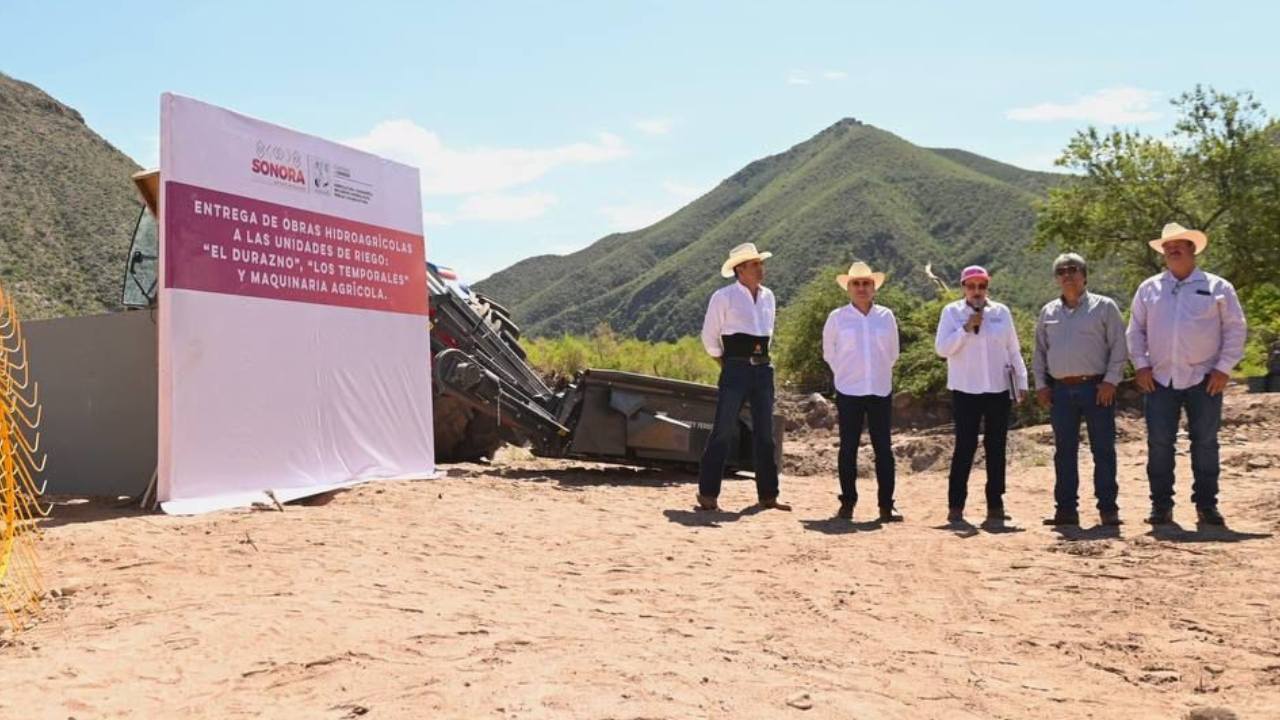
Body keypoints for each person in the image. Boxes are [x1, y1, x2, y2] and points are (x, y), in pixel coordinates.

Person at [1126, 223, 1247, 526]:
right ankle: (1161, 506)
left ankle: (1206, 506)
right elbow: (1135, 330)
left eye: (1179, 244)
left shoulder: (1219, 287)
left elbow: (1235, 329)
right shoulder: (1149, 288)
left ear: (1193, 249)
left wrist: (1223, 368)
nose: (1172, 249)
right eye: (1167, 246)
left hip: (1205, 378)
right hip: (1160, 379)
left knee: (1205, 442)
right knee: (1159, 443)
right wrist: (1140, 365)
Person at [1031, 253, 1127, 527]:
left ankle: (1108, 509)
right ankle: (1066, 510)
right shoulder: (1048, 312)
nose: (1067, 275)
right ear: (1056, 278)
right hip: (1061, 392)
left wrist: (1111, 381)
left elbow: (1119, 347)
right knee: (1064, 452)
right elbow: (1039, 351)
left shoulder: (1105, 307)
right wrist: (1041, 385)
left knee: (1103, 450)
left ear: (1085, 275)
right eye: (1061, 271)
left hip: (1097, 389)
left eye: (1073, 270)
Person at [696, 243, 789, 512]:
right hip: (735, 367)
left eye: (760, 263)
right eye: (754, 264)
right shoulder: (723, 297)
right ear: (740, 270)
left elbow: (768, 332)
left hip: (763, 369)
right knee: (723, 429)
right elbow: (709, 336)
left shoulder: (769, 296)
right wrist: (725, 363)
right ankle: (708, 493)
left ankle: (768, 495)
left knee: (765, 433)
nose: (761, 269)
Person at [935, 266, 1028, 525]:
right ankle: (956, 506)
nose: (977, 292)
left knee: (996, 447)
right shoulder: (952, 313)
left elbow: (1013, 349)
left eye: (982, 286)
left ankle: (995, 504)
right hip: (966, 389)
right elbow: (942, 349)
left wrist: (1022, 382)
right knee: (965, 447)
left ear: (987, 287)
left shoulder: (1001, 312)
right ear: (963, 287)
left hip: (998, 389)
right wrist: (965, 329)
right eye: (971, 286)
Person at [822, 261, 903, 522]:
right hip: (849, 390)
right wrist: (846, 374)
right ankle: (847, 503)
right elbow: (829, 353)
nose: (861, 288)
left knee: (884, 449)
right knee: (848, 448)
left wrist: (876, 372)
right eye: (856, 283)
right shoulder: (837, 318)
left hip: (879, 389)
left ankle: (886, 505)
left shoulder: (886, 317)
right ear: (848, 288)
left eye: (866, 283)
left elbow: (893, 353)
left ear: (874, 288)